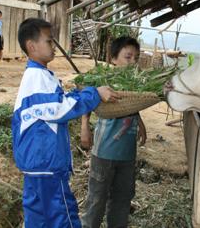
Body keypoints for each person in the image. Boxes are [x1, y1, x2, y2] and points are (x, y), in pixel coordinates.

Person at [12, 18, 120, 228]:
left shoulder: (39, 76)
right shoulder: (36, 77)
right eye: (49, 41)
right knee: (64, 218)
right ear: (32, 46)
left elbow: (52, 105)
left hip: (37, 167)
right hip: (47, 165)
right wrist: (93, 94)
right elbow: (58, 109)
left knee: (39, 221)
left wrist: (76, 94)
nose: (54, 46)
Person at [81, 36, 147, 228]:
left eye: (136, 57)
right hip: (104, 152)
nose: (133, 62)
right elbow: (87, 101)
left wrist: (140, 123)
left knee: (122, 198)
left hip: (127, 154)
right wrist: (85, 127)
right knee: (96, 199)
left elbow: (134, 103)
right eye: (128, 57)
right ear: (113, 59)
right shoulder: (104, 82)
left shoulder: (135, 83)